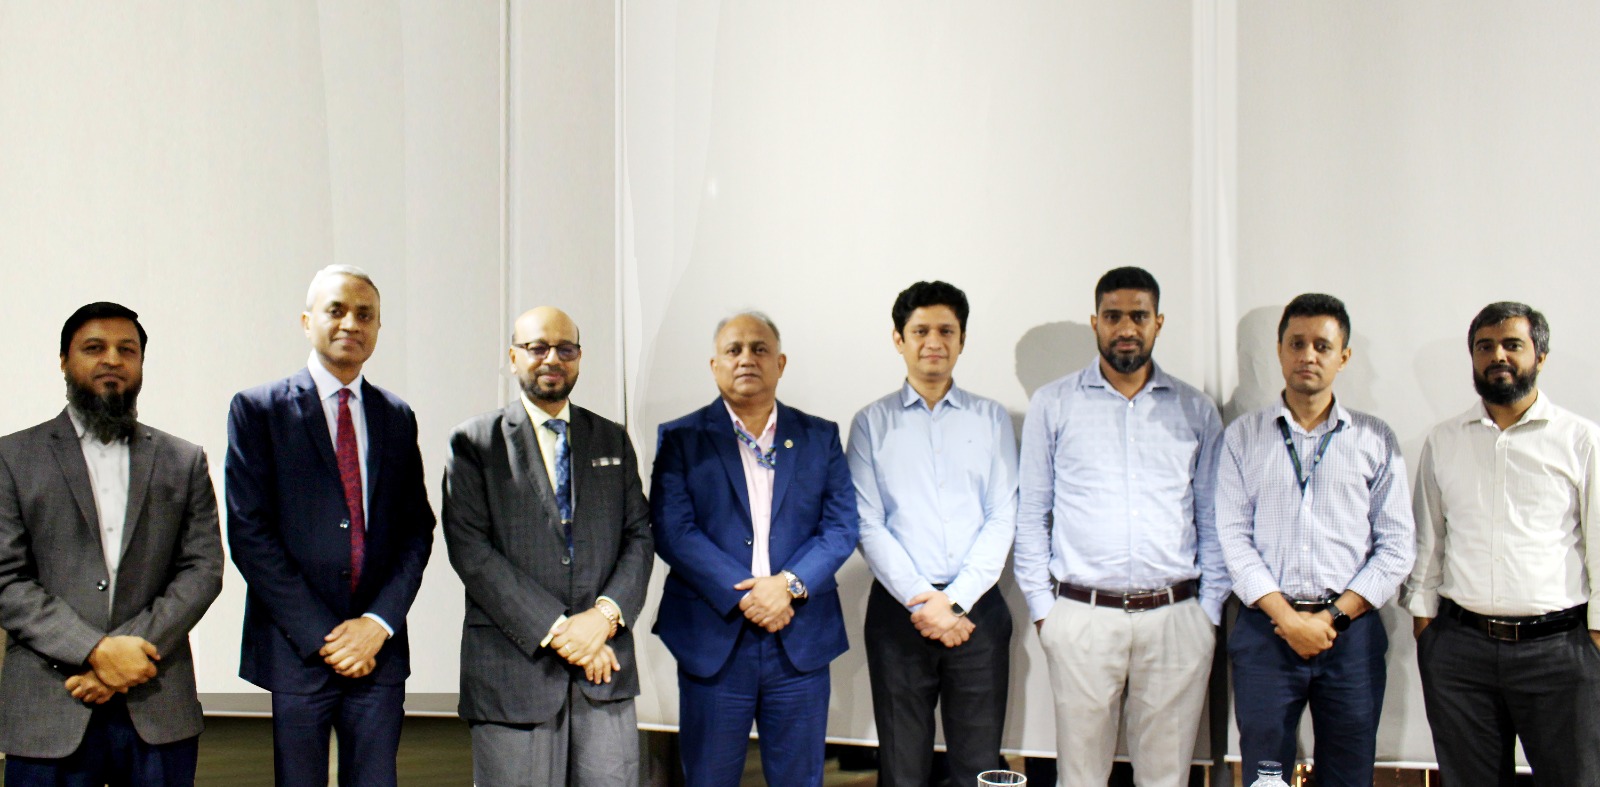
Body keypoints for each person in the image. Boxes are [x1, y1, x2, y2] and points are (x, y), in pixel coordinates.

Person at [1013, 267, 1225, 787]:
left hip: (1176, 617)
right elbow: (1032, 514)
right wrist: (1044, 612)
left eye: (1138, 316)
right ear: (1096, 323)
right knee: (1081, 776)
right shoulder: (1053, 404)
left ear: (1158, 323)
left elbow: (1214, 519)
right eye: (1113, 316)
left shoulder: (1195, 409)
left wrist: (1208, 613)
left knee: (1165, 778)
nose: (1126, 328)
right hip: (1081, 618)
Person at [226, 265, 436, 786]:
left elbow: (416, 531)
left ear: (378, 327)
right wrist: (326, 636)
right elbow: (250, 533)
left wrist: (377, 624)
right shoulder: (258, 410)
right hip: (297, 648)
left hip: (378, 652)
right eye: (336, 311)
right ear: (307, 321)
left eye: (365, 315)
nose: (351, 324)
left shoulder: (396, 415)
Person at [0, 302, 224, 785]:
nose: (112, 360)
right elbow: (7, 579)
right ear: (63, 360)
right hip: (50, 707)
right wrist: (96, 651)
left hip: (156, 705)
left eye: (128, 350)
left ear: (141, 363)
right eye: (94, 348)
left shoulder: (183, 460)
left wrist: (127, 657)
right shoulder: (12, 457)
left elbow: (202, 570)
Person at [442, 306, 653, 786]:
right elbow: (471, 551)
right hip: (514, 674)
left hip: (605, 671)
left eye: (566, 348)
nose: (552, 358)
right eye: (537, 347)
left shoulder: (612, 439)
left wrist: (603, 618)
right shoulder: (474, 442)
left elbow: (640, 536)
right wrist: (562, 632)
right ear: (513, 356)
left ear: (579, 357)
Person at [650, 311, 859, 787]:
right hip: (713, 637)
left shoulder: (819, 436)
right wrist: (747, 594)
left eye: (760, 349)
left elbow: (841, 526)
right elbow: (673, 529)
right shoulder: (680, 438)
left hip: (798, 635)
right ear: (715, 365)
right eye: (734, 350)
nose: (747, 358)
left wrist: (786, 586)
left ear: (780, 363)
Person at [1216, 293, 1414, 787]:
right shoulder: (1243, 436)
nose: (1308, 355)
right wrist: (1288, 619)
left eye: (1322, 346)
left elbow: (1396, 547)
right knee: (1265, 776)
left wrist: (1331, 619)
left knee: (1348, 775)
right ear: (1279, 350)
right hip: (1266, 632)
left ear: (1343, 357)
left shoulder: (1375, 439)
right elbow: (1233, 540)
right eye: (1297, 343)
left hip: (1350, 635)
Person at [1401, 301, 1600, 786]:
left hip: (1559, 651)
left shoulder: (1581, 440)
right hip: (1460, 652)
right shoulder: (1444, 440)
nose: (1498, 357)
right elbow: (1430, 539)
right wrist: (1426, 626)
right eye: (1484, 347)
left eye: (1513, 345)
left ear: (1540, 356)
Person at [846, 281, 1018, 787]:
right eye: (920, 331)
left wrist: (956, 601)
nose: (934, 342)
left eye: (946, 331)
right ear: (898, 339)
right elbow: (866, 523)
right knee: (902, 769)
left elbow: (1002, 516)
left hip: (977, 612)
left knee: (979, 767)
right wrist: (926, 601)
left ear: (962, 340)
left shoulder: (991, 419)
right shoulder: (871, 423)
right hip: (900, 613)